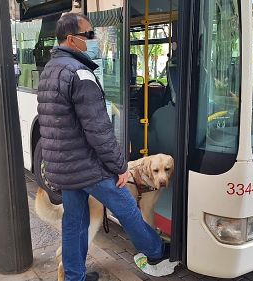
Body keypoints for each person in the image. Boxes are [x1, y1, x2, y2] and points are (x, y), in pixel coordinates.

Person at [37, 13, 171, 281]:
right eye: (88, 35)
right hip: (88, 166)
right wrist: (119, 167)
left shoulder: (50, 69)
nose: (92, 40)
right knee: (128, 208)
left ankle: (74, 277)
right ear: (72, 39)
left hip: (64, 166)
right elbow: (98, 128)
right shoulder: (80, 73)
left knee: (75, 221)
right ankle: (157, 251)